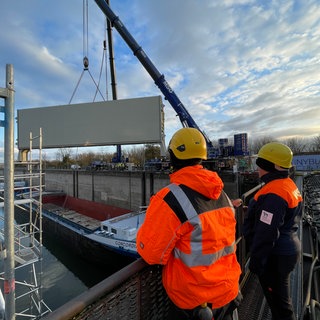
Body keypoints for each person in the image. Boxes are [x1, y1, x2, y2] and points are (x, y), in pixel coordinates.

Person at [136, 127, 242, 320]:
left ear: (172, 157)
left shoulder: (169, 199)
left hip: (195, 303)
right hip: (228, 292)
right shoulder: (222, 194)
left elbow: (151, 254)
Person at [243, 142, 302, 320]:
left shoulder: (274, 193)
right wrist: (252, 209)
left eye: (260, 164)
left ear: (268, 166)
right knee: (280, 301)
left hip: (275, 257)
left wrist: (257, 261)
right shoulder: (287, 184)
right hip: (287, 248)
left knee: (280, 307)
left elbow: (266, 233)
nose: (258, 169)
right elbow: (276, 217)